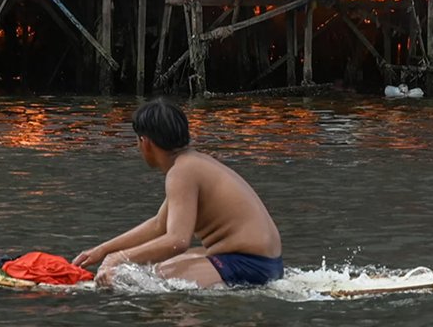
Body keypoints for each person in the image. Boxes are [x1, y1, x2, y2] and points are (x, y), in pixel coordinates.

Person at [72, 98, 283, 288]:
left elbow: (177, 241)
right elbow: (159, 225)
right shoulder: (191, 163)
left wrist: (117, 259)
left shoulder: (181, 172)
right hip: (265, 263)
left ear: (145, 143)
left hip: (252, 265)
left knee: (159, 275)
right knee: (155, 266)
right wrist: (103, 251)